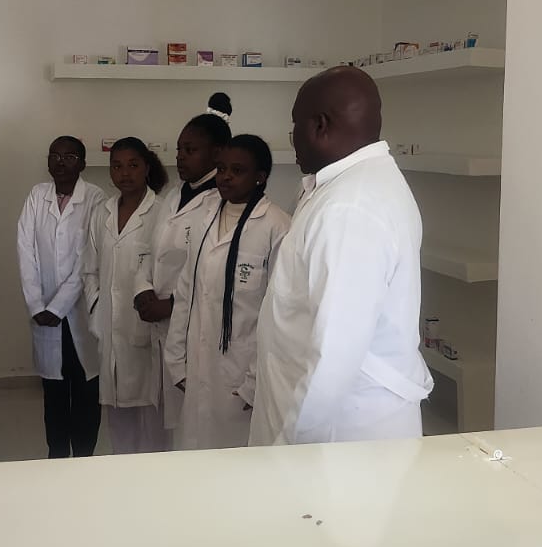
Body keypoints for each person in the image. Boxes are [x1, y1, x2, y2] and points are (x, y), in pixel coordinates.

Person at [250, 66, 433, 446]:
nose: (292, 140)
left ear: (320, 125)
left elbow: (334, 356)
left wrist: (288, 453)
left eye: (294, 127)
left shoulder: (350, 207)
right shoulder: (354, 186)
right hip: (333, 426)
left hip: (339, 437)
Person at [164, 135, 291, 450]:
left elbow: (277, 315)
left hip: (242, 372)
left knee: (235, 461)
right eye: (221, 169)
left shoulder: (277, 226)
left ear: (260, 176)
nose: (226, 177)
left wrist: (255, 381)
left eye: (238, 170)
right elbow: (186, 292)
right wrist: (176, 358)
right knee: (195, 454)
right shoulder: (205, 215)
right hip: (198, 363)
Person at [133, 94, 232, 442]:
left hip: (190, 325)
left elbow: (215, 275)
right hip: (155, 321)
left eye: (190, 150)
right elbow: (151, 251)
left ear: (217, 154)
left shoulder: (222, 203)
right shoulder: (175, 194)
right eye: (178, 149)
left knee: (188, 425)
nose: (180, 157)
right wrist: (142, 289)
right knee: (155, 419)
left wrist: (171, 306)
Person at [15, 136, 104, 459]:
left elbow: (88, 260)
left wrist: (57, 307)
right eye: (55, 155)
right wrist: (36, 305)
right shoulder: (36, 196)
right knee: (53, 392)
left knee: (85, 389)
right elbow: (25, 251)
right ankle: (56, 458)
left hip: (81, 313)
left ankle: (83, 458)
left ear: (83, 163)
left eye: (70, 156)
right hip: (44, 315)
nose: (61, 162)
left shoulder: (95, 198)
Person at [82, 137, 170, 454]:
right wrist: (96, 309)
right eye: (117, 166)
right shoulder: (102, 212)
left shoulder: (161, 212)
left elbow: (168, 271)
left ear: (147, 167)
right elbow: (89, 269)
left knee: (153, 417)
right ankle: (122, 471)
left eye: (133, 165)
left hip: (146, 327)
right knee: (117, 415)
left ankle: (153, 476)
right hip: (109, 325)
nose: (125, 173)